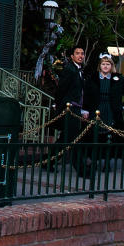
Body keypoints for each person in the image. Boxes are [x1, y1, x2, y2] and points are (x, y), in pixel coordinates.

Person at [83, 53, 124, 166]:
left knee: (110, 135)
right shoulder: (92, 78)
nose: (105, 66)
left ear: (111, 65)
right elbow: (86, 95)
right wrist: (85, 109)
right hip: (96, 110)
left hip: (111, 110)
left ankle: (108, 159)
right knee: (95, 134)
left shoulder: (118, 79)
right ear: (100, 65)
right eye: (103, 64)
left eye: (108, 64)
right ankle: (94, 159)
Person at [54, 45, 89, 176]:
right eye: (77, 53)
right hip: (69, 108)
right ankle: (81, 169)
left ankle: (47, 162)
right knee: (74, 139)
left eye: (82, 53)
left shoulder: (80, 70)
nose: (80, 55)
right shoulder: (69, 69)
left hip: (76, 108)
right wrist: (59, 106)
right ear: (72, 56)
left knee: (64, 139)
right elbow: (61, 89)